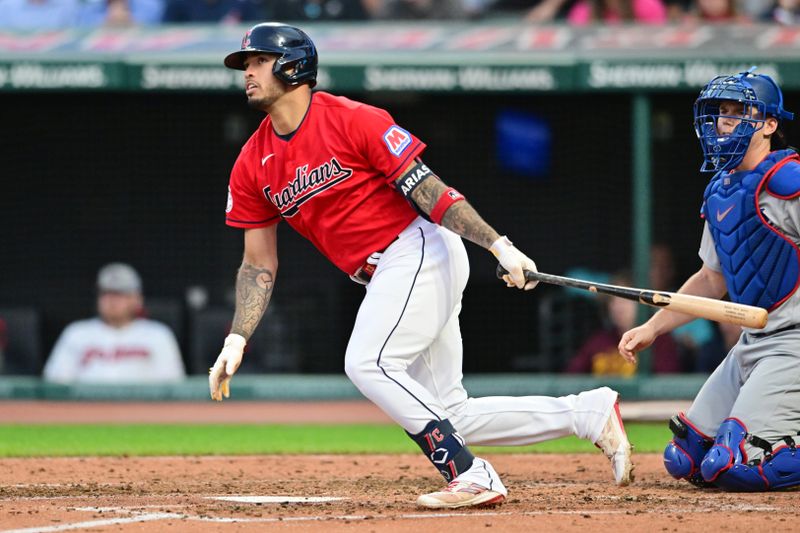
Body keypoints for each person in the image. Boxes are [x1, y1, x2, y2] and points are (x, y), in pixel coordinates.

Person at [207, 22, 633, 510]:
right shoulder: (251, 162)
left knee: (367, 362)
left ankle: (471, 474)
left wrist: (498, 244)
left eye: (258, 61)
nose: (248, 72)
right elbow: (257, 264)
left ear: (293, 65)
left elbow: (429, 191)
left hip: (416, 250)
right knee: (451, 412)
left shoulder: (352, 119)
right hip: (385, 272)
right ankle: (590, 413)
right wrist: (237, 337)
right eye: (246, 64)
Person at [618, 67, 800, 492]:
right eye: (722, 112)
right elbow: (710, 279)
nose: (726, 121)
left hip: (794, 343)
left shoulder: (789, 182)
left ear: (770, 125)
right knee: (687, 460)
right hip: (751, 345)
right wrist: (652, 327)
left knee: (735, 465)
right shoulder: (722, 189)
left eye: (740, 112)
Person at [43, 263, 185, 384]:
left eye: (120, 294)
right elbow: (55, 385)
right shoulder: (76, 332)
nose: (112, 301)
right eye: (106, 293)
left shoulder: (158, 334)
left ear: (137, 299)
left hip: (142, 410)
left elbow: (173, 386)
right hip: (86, 409)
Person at [566, 271, 682, 376]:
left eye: (625, 300)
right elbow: (572, 376)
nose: (618, 307)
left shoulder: (659, 340)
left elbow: (667, 384)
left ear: (642, 304)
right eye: (613, 301)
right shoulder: (599, 340)